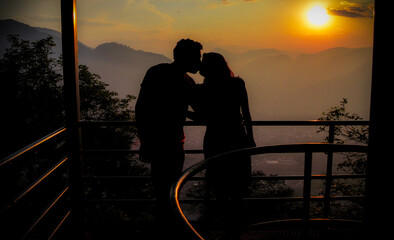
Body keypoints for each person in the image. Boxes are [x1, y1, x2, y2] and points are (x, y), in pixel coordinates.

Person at [135, 39, 202, 237]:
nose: (198, 61)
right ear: (187, 58)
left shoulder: (157, 72)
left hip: (160, 143)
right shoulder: (187, 82)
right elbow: (200, 113)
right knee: (170, 191)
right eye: (196, 57)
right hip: (171, 144)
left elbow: (141, 108)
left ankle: (165, 230)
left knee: (163, 191)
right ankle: (169, 231)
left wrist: (144, 141)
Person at [192, 52, 256, 231]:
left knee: (218, 184)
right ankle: (235, 228)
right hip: (237, 136)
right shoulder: (237, 83)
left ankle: (223, 228)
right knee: (237, 185)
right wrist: (250, 138)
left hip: (215, 138)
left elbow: (201, 117)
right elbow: (246, 114)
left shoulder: (203, 88)